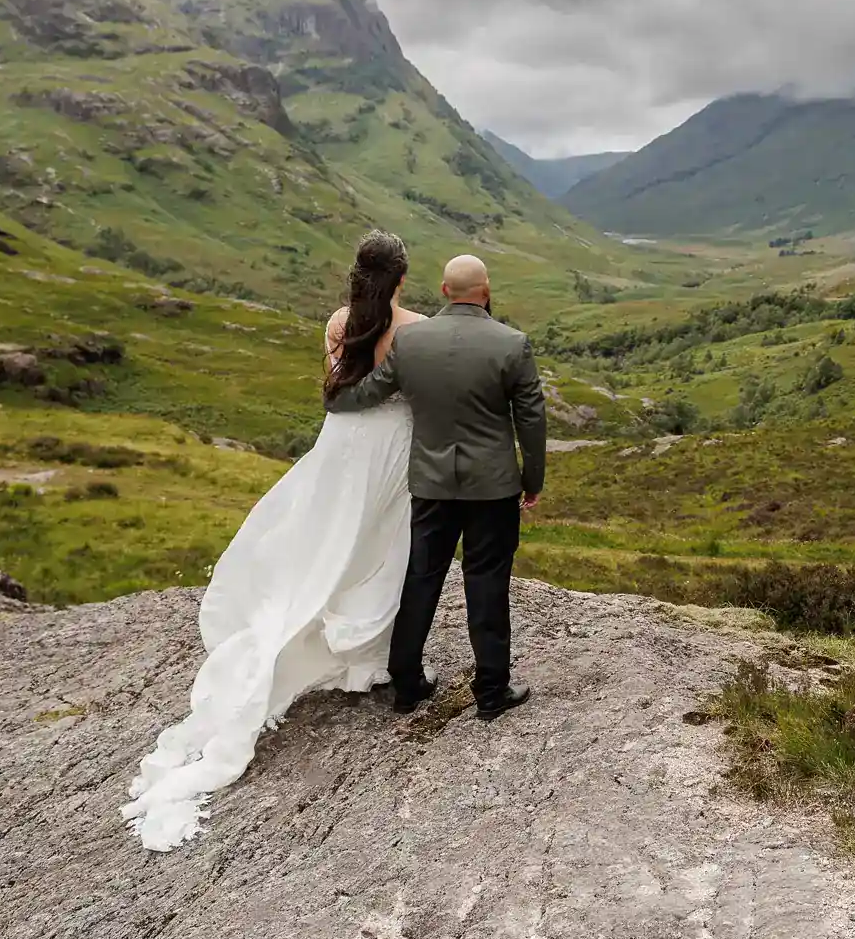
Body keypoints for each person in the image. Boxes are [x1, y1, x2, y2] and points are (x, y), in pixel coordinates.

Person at [120, 230, 420, 852]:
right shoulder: (416, 326)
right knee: (381, 548)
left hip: (342, 444)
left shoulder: (339, 320)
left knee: (324, 541)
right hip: (392, 448)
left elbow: (334, 386)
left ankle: (314, 634)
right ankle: (362, 659)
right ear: (402, 276)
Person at [324, 252, 548, 722]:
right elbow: (530, 420)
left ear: (445, 292)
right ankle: (491, 691)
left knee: (421, 580)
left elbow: (371, 391)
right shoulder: (512, 344)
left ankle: (407, 684)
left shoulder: (411, 340)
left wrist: (335, 397)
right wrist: (532, 481)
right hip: (493, 488)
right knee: (487, 583)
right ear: (485, 291)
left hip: (430, 484)